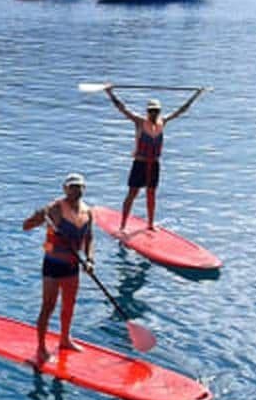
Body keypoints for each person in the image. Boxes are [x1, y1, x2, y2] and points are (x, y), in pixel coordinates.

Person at [105, 84, 206, 232]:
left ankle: (150, 224)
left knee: (151, 194)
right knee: (132, 194)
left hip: (154, 164)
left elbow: (181, 111)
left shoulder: (162, 122)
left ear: (159, 111)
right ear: (147, 111)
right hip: (140, 164)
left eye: (156, 111)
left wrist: (197, 95)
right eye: (151, 111)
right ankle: (122, 226)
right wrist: (110, 93)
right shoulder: (139, 122)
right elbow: (122, 109)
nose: (154, 113)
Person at [22, 173, 94, 366]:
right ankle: (41, 348)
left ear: (83, 189)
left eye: (78, 187)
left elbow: (89, 238)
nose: (75, 190)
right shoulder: (54, 208)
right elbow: (26, 226)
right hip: (53, 264)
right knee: (48, 306)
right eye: (72, 187)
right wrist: (38, 217)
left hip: (73, 266)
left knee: (69, 305)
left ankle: (65, 339)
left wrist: (90, 260)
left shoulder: (88, 211)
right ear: (65, 189)